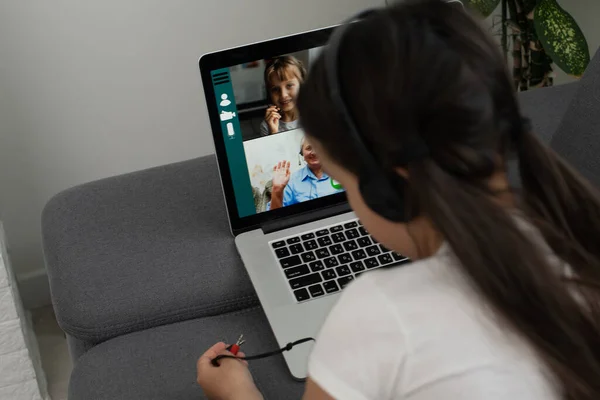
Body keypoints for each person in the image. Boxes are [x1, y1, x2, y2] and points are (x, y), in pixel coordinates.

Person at [197, 1, 600, 399]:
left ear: (385, 190)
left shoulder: (375, 315)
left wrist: (235, 394)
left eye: (345, 184)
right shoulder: (574, 246)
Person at [268, 137, 343, 210]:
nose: (314, 152)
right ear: (302, 154)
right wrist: (277, 190)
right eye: (309, 148)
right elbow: (273, 216)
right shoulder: (291, 181)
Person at [260, 56, 307, 136]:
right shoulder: (267, 126)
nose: (283, 95)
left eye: (289, 85)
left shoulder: (314, 115)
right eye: (275, 89)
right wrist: (273, 132)